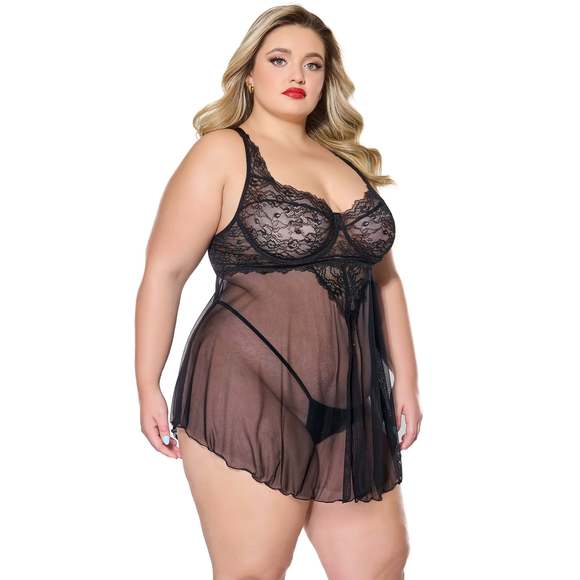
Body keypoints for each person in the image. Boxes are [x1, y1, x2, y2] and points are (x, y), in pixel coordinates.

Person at [135, 5, 422, 579]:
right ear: (249, 73)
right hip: (248, 387)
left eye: (313, 64)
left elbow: (385, 280)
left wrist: (407, 382)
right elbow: (164, 272)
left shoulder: (347, 163)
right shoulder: (222, 151)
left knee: (380, 562)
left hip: (357, 397)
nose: (297, 75)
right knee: (253, 570)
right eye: (279, 60)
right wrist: (148, 384)